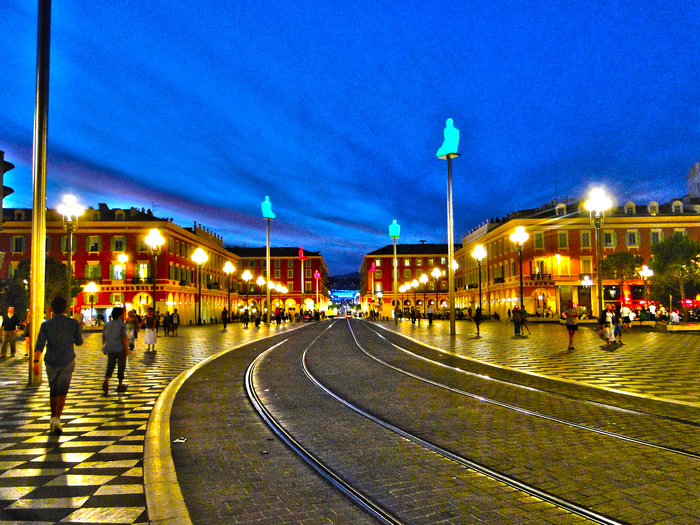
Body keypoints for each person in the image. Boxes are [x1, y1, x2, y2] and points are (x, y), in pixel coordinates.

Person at [33, 296, 83, 434]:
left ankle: (53, 417)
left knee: (53, 390)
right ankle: (58, 419)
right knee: (63, 391)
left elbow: (40, 344)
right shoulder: (73, 323)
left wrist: (36, 361)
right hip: (67, 359)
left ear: (51, 309)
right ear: (66, 308)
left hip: (51, 360)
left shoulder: (46, 325)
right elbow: (79, 342)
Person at [101, 306, 129, 394]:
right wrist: (126, 349)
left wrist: (105, 347)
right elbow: (124, 337)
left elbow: (103, 337)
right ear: (120, 315)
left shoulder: (107, 324)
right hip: (120, 348)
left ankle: (106, 379)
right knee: (121, 366)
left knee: (110, 365)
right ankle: (120, 384)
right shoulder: (121, 324)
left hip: (110, 347)